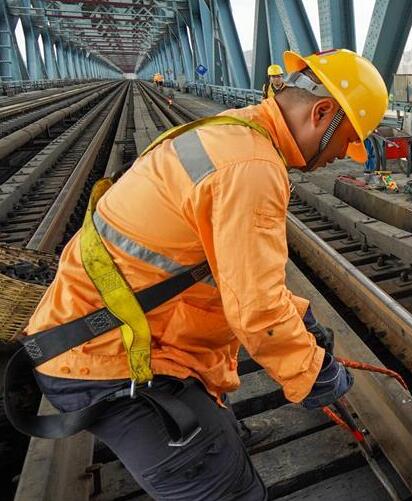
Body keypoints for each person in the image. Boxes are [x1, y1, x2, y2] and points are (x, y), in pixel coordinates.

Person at [16, 49, 388, 500]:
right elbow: (257, 311)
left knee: (216, 424)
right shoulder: (250, 169)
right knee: (224, 487)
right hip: (109, 360)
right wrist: (313, 373)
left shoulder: (231, 131)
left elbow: (230, 273)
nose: (342, 155)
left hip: (106, 329)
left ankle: (222, 437)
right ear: (321, 112)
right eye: (346, 139)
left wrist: (300, 317)